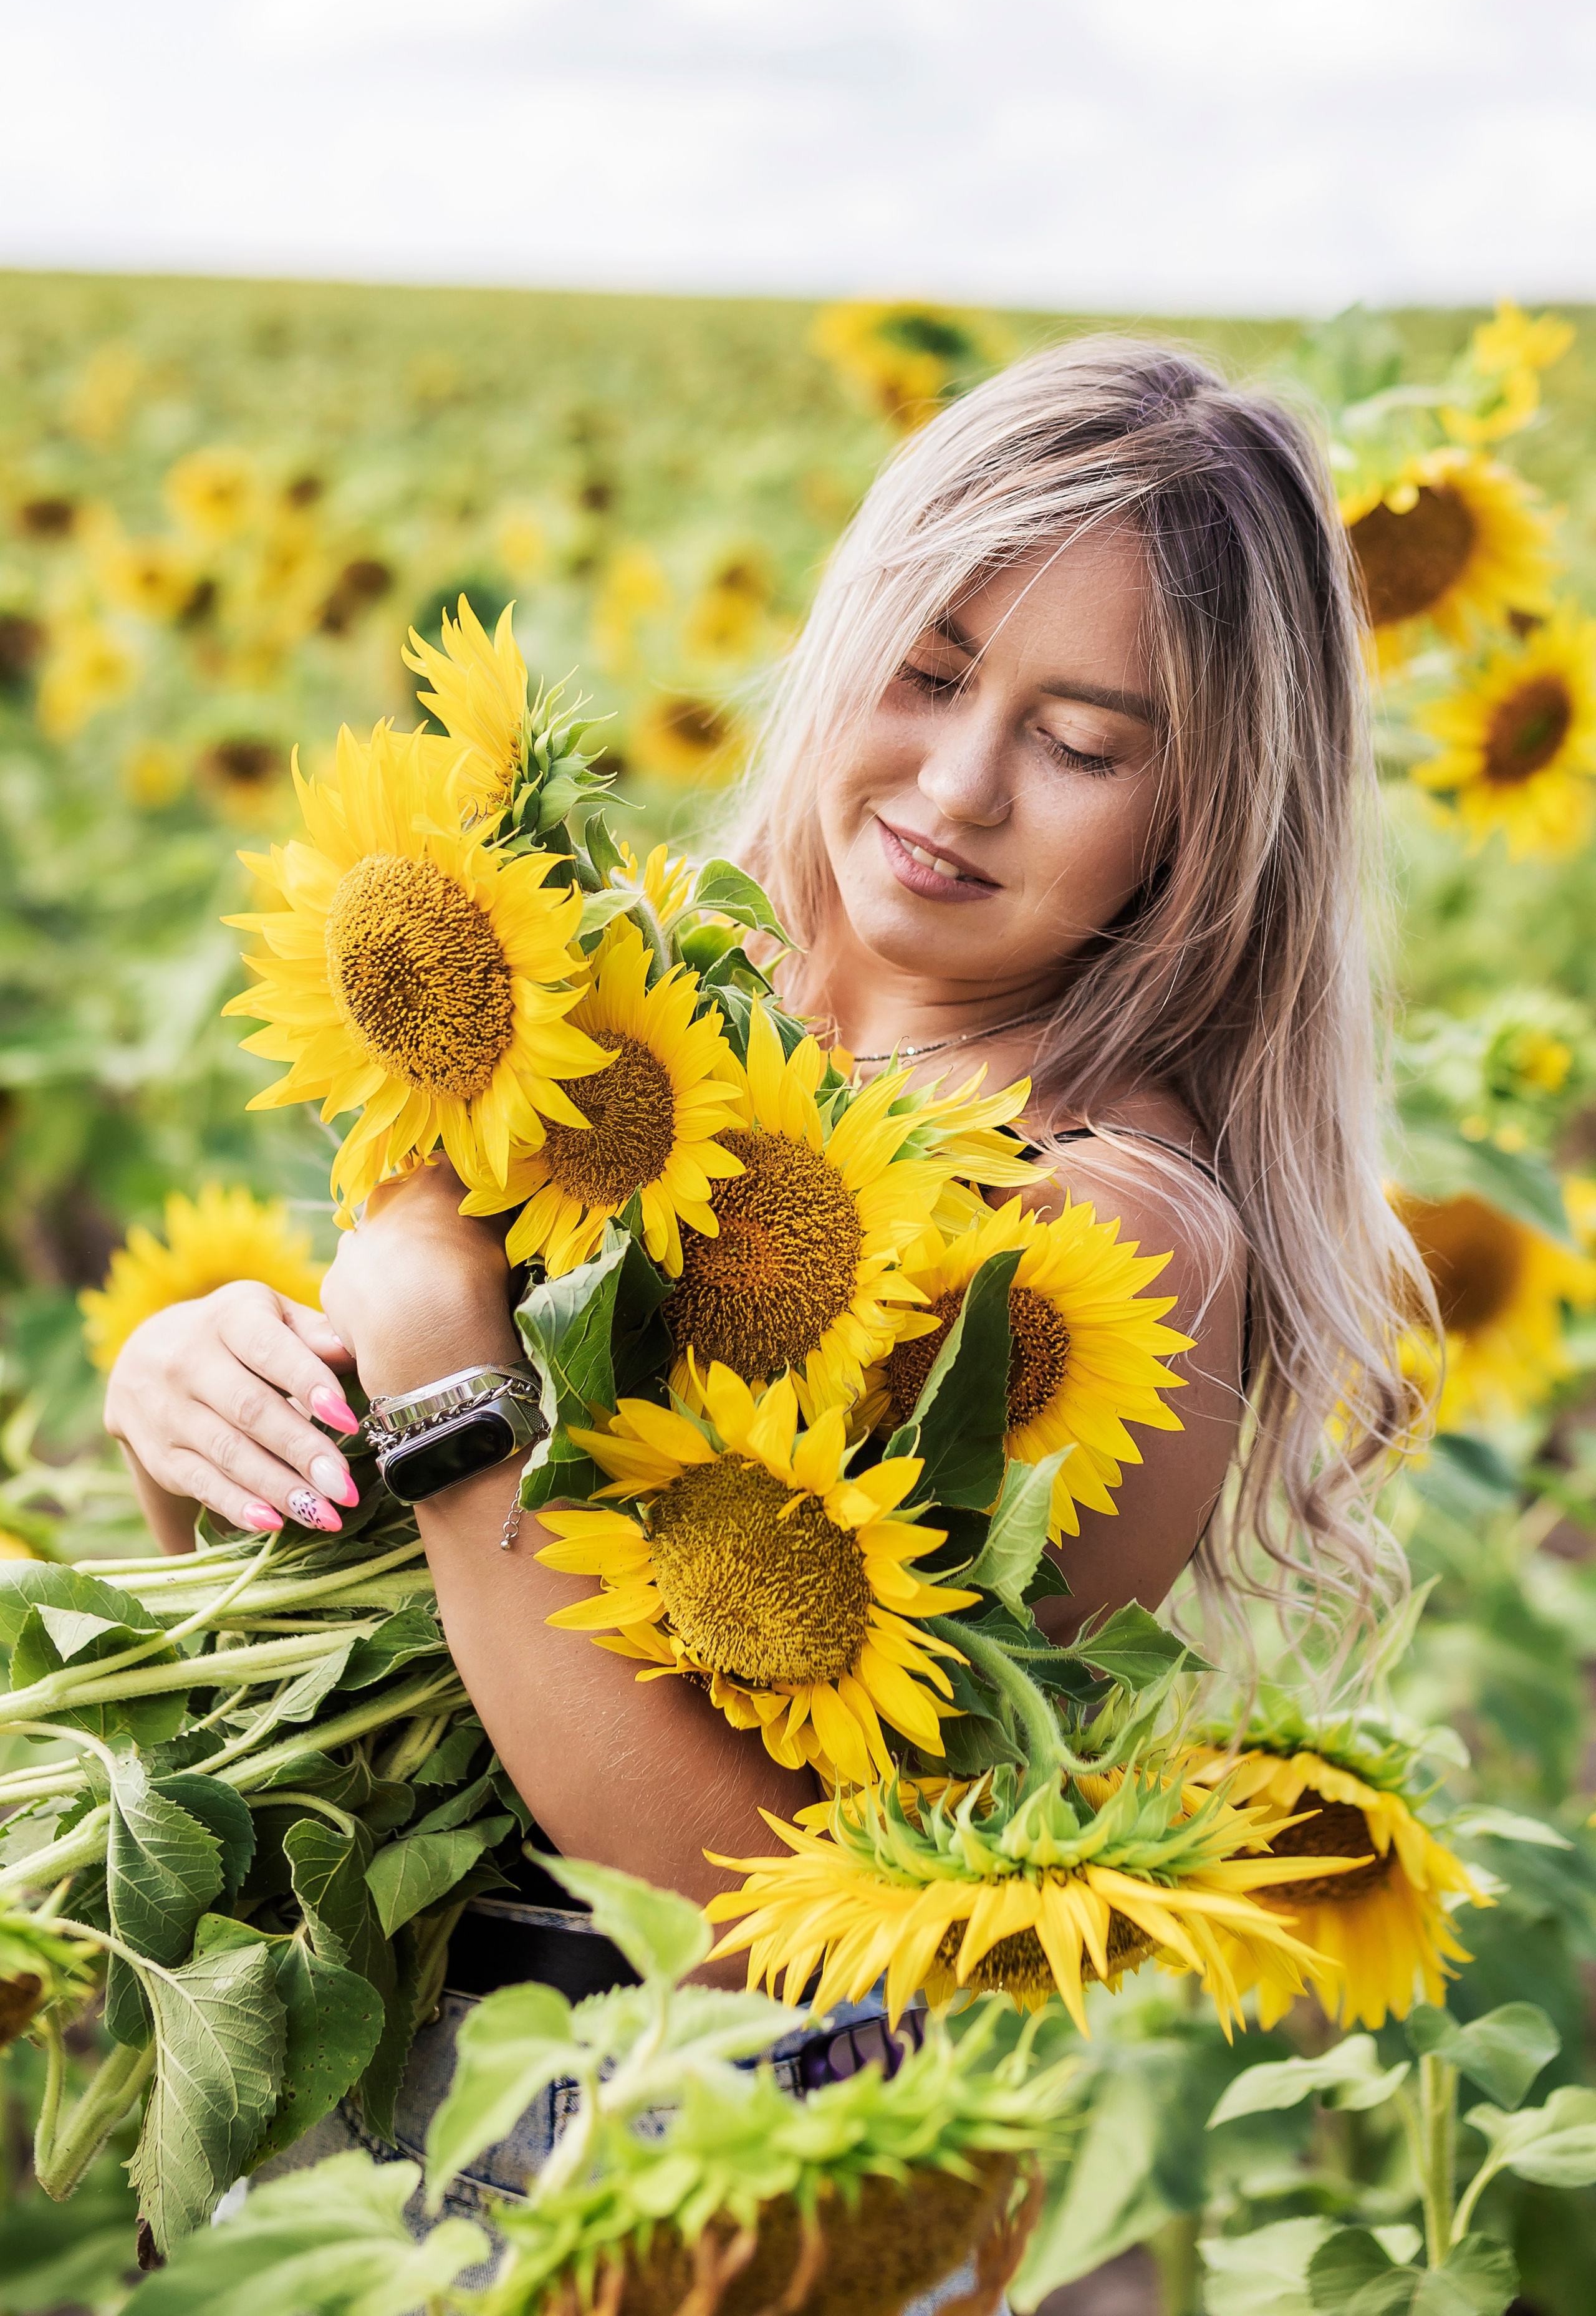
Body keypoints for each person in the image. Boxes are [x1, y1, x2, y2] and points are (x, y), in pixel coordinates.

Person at [102, 338, 1431, 2272]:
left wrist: (452, 1390)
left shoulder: (1097, 1236)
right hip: (364, 2105)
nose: (959, 787)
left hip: (692, 2180)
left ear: (1211, 813)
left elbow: (764, 1920)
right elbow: (327, 1636)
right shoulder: (634, 1031)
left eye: (1082, 744)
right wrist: (209, 1406)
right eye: (933, 674)